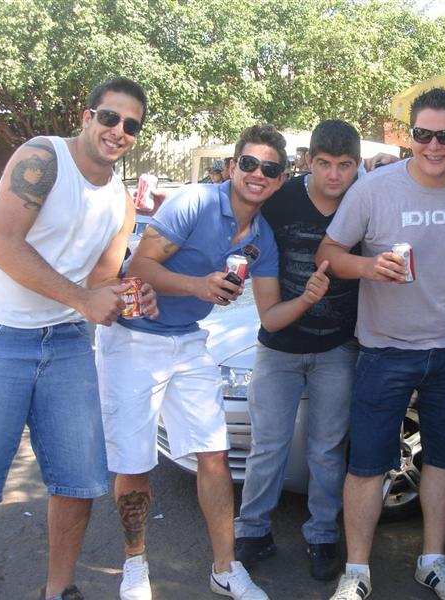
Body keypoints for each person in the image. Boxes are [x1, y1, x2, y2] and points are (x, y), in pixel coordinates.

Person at [95, 124, 329, 600]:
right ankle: (135, 567)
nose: (257, 174)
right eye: (249, 163)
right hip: (134, 339)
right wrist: (199, 285)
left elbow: (269, 316)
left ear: (281, 178)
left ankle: (225, 568)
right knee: (135, 462)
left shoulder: (261, 237)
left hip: (188, 341)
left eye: (269, 169)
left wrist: (307, 298)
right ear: (232, 167)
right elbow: (139, 268)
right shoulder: (196, 202)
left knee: (214, 453)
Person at [0, 77, 158, 600]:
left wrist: (131, 295)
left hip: (67, 342)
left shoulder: (121, 203)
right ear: (87, 116)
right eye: (109, 117)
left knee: (79, 481)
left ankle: (59, 590)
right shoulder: (43, 157)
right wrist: (82, 299)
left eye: (131, 125)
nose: (118, 131)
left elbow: (100, 282)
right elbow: (4, 247)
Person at [316, 88, 445, 600]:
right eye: (423, 134)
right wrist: (367, 265)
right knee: (367, 463)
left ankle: (433, 560)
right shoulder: (374, 189)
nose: (434, 146)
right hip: (384, 347)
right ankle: (356, 571)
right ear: (410, 136)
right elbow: (329, 252)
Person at [233, 120, 362, 582]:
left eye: (344, 165)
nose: (334, 175)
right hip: (279, 346)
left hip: (337, 347)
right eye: (324, 164)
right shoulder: (281, 199)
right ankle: (252, 531)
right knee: (268, 445)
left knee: (327, 449)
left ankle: (323, 534)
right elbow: (242, 235)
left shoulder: (364, 199)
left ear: (357, 166)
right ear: (308, 161)